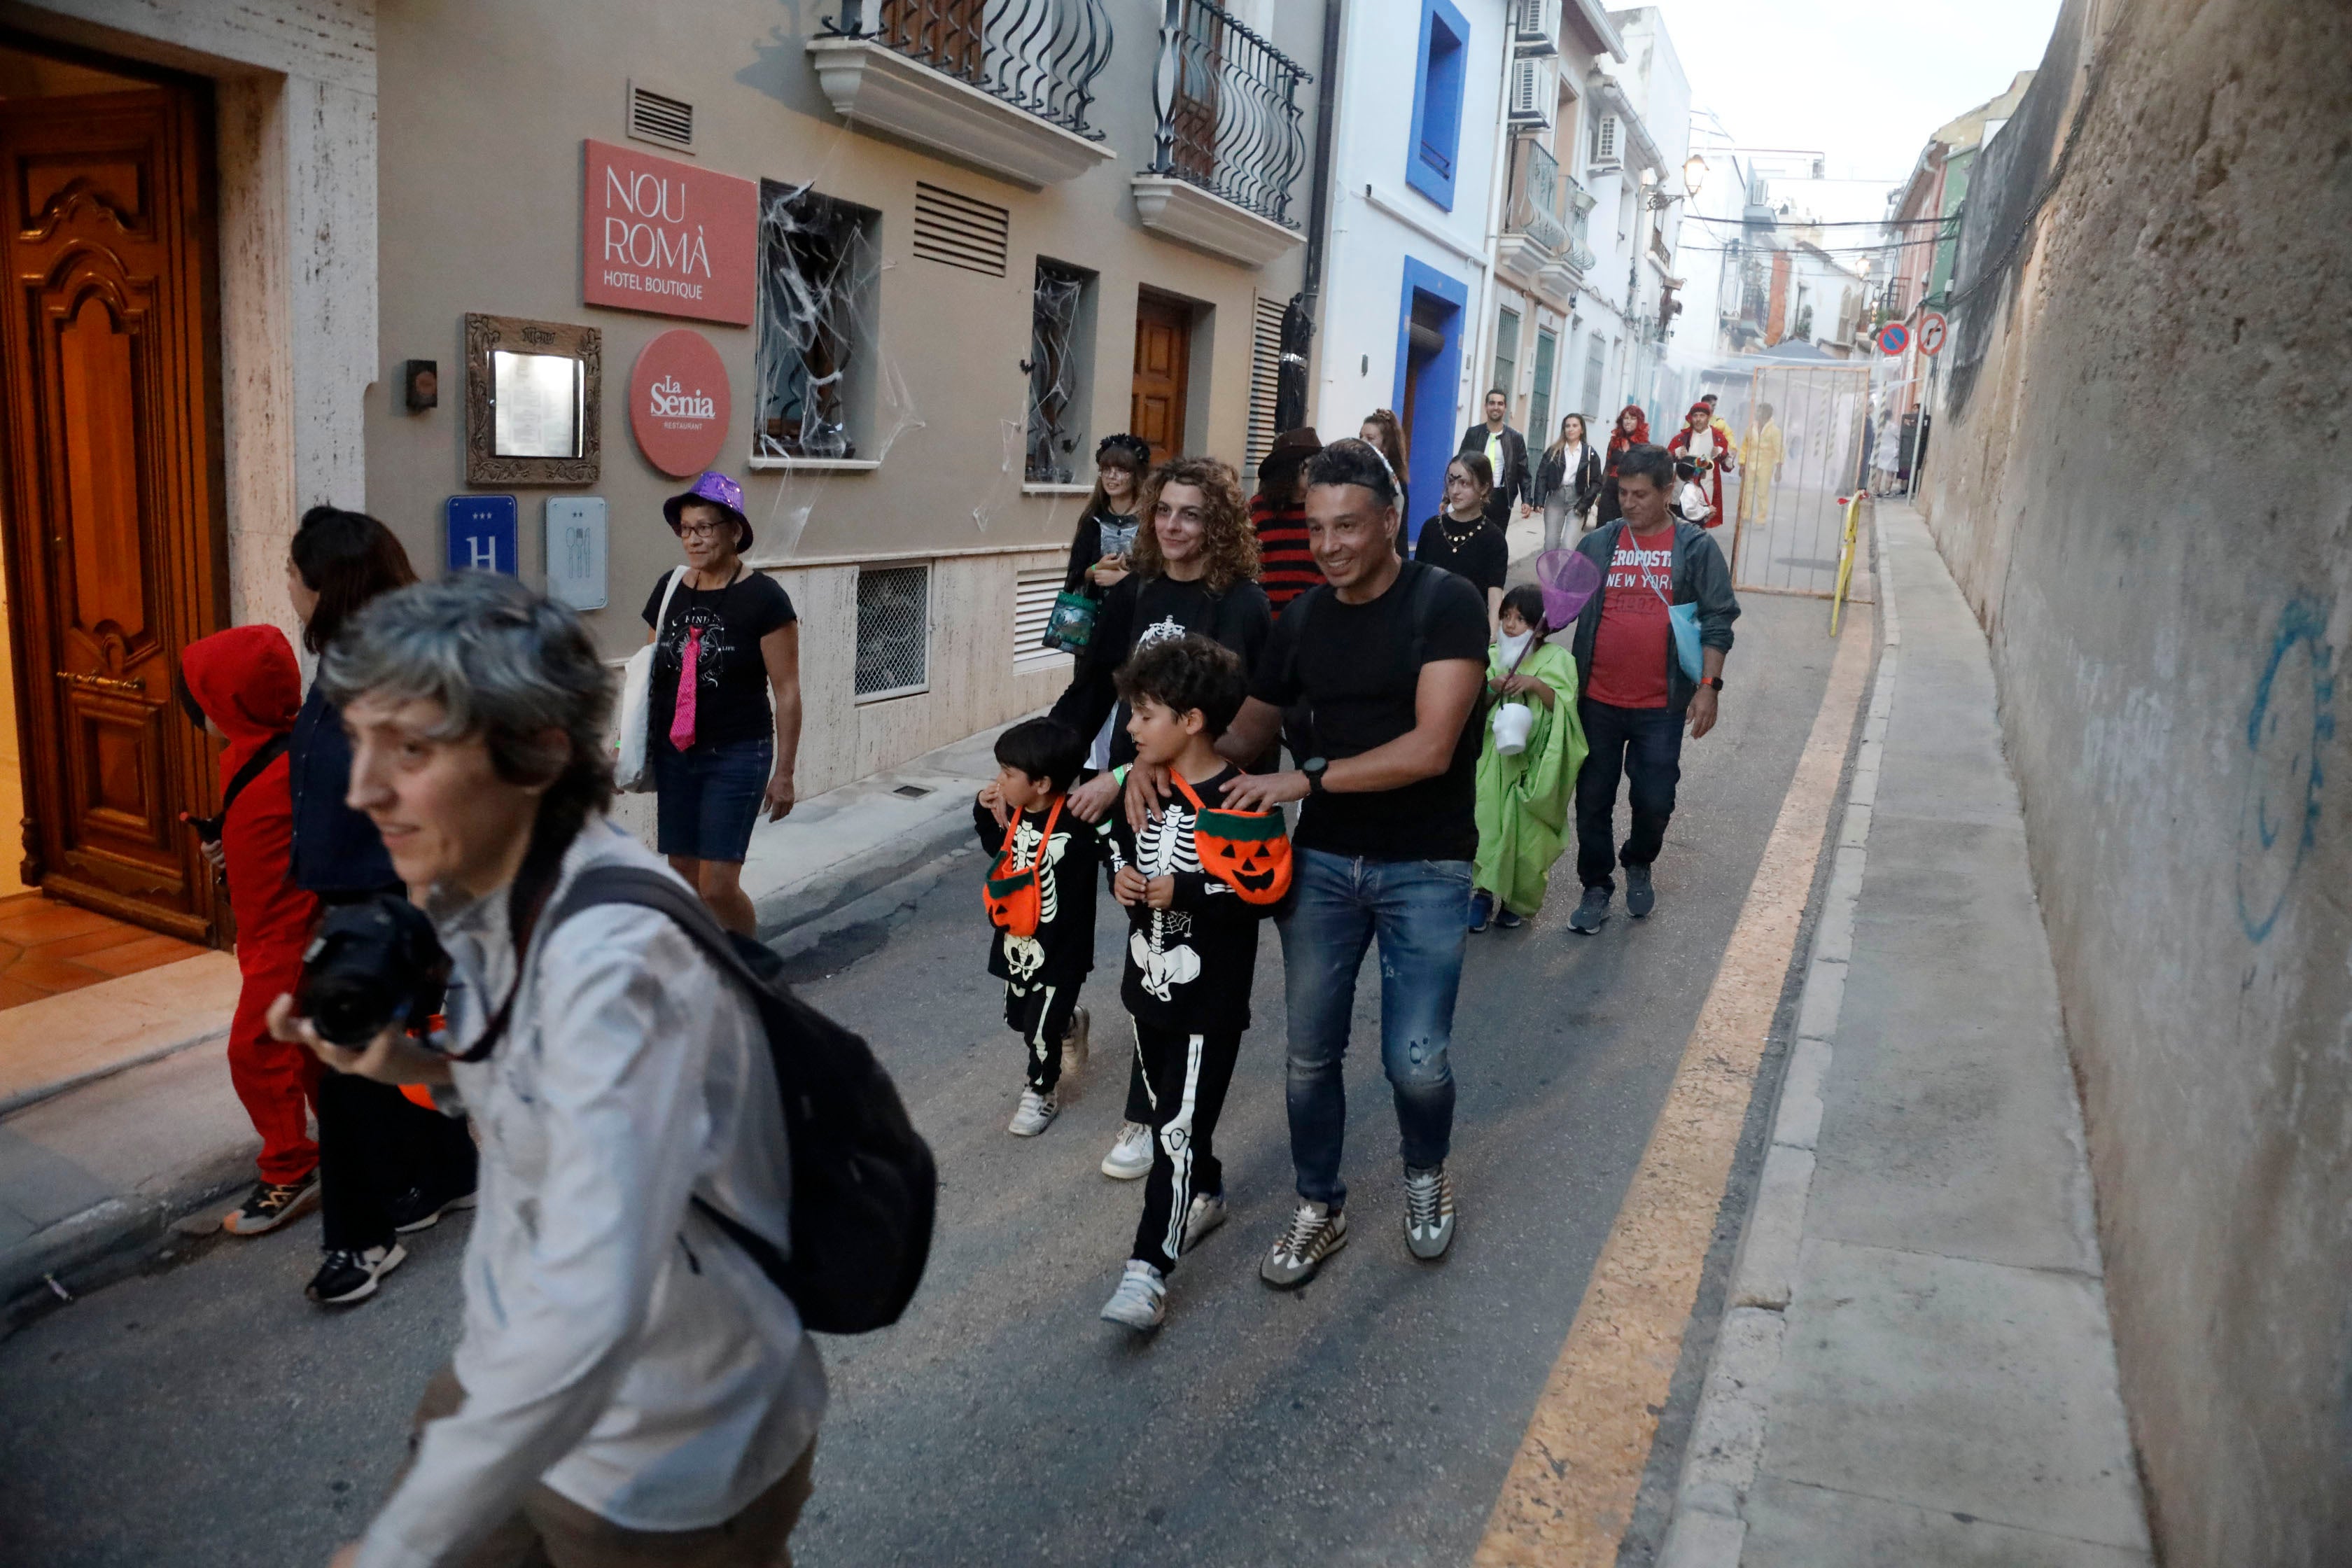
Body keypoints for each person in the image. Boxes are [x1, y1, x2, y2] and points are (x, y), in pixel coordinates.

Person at [276, 573, 825, 1568]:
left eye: (409, 748)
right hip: (516, 1371)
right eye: (360, 741)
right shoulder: (503, 893)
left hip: (659, 1450)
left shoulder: (610, 966)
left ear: (537, 756)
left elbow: (594, 1300)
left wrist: (402, 1545)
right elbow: (538, 1097)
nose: (361, 788)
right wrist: (405, 1061)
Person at [1126, 438, 1487, 1286]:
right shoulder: (1301, 619)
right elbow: (1247, 730)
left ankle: (1424, 1173)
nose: (1329, 545)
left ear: (1391, 520)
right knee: (1307, 1055)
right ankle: (1319, 1202)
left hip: (1426, 862)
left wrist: (1306, 775)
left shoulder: (1448, 603)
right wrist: (1153, 758)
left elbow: (1432, 748)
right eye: (1317, 526)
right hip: (1321, 863)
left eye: (1348, 526)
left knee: (1417, 1059)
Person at [1049, 456, 1273, 1182]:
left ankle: (1171, 1121)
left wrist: (1153, 766)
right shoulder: (1135, 592)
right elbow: (1090, 691)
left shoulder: (1241, 602)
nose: (1173, 525)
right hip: (1137, 797)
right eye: (1164, 510)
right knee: (1149, 955)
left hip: (1202, 806)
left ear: (1220, 524)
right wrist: (1042, 762)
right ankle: (1148, 1106)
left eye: (1191, 513)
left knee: (1194, 963)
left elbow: (1244, 721)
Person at [286, 505, 478, 1306]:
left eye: (295, 575)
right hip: (357, 890)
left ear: (327, 586)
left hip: (389, 896)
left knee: (347, 1068)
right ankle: (448, 1176)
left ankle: (361, 1241)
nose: (288, 589)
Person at [1096, 636, 1282, 1332]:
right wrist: (1123, 878)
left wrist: (1191, 890)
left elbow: (1262, 888)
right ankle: (1205, 1189)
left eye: (1144, 715)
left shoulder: (1243, 797)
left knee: (1172, 1127)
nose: (1132, 728)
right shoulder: (1145, 785)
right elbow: (1117, 844)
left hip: (1208, 998)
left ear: (1192, 720)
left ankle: (1148, 1270)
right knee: (1178, 1116)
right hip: (1145, 987)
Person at [1562, 444, 1740, 934]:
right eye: (1622, 493)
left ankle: (1639, 860)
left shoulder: (1696, 549)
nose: (1630, 503)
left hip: (1661, 704)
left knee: (1655, 798)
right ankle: (1596, 885)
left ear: (1668, 492)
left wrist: (1709, 687)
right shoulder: (1599, 544)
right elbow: (1557, 609)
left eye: (1641, 494)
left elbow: (1718, 618)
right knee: (1592, 799)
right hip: (1595, 700)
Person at [179, 625, 321, 1237]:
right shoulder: (249, 756)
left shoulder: (291, 768)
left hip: (287, 941)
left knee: (257, 1050)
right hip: (266, 931)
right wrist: (225, 851)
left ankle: (290, 1170)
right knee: (310, 1052)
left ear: (229, 705)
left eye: (202, 701)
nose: (197, 713)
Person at [642, 470, 803, 937]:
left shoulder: (765, 599)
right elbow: (649, 678)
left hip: (737, 752)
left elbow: (787, 689)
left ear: (734, 530)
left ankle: (750, 967)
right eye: (686, 529)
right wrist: (623, 743)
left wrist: (785, 773)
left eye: (705, 528)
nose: (693, 539)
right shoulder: (669, 589)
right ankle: (706, 961)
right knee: (683, 877)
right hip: (677, 754)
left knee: (716, 884)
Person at [973, 717, 1105, 1138]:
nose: (1000, 781)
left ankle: (1040, 1090)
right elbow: (998, 852)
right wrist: (985, 810)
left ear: (1043, 783)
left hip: (1062, 947)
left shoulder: (1078, 821)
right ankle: (1069, 1022)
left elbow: (1114, 846)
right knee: (1018, 1019)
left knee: (1039, 1029)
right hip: (1018, 941)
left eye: (1009, 774)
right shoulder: (1015, 816)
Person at [1469, 584, 1586, 932]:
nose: (1510, 625)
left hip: (1535, 763)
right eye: (1506, 616)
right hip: (1495, 758)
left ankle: (1517, 901)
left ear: (1541, 626)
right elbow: (1478, 705)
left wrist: (1535, 685)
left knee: (1526, 834)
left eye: (1520, 619)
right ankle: (1483, 893)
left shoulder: (1560, 661)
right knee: (1487, 822)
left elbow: (1565, 709)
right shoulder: (1493, 656)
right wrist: (1493, 687)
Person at [1414, 452, 1509, 628]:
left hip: (1469, 627)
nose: (1455, 491)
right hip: (1427, 624)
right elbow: (1417, 581)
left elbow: (1495, 592)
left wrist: (1492, 634)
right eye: (1451, 482)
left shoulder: (1494, 539)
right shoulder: (1431, 528)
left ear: (1484, 488)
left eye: (1464, 483)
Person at [1059, 433, 1152, 596]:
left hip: (1135, 615)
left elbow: (1159, 577)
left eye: (1121, 470)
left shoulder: (1150, 522)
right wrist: (1097, 568)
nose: (1112, 476)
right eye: (1106, 469)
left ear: (1136, 475)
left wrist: (1124, 579)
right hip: (1096, 616)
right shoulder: (1093, 520)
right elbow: (1075, 576)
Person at [1250, 427, 1324, 614]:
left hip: (1310, 614)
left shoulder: (1324, 510)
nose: (1317, 472)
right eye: (1311, 465)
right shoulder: (1257, 509)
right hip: (1264, 614)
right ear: (1292, 468)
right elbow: (1242, 560)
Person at [1457, 388, 1531, 533]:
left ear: (1505, 408)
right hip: (1475, 493)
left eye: (1500, 404)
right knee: (1471, 535)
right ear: (1486, 407)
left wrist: (1527, 500)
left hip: (1501, 498)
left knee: (1496, 539)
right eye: (1492, 403)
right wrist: (1448, 497)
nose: (1496, 407)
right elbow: (1460, 466)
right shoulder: (1473, 434)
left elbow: (1523, 471)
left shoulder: (1515, 438)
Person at [1535, 412, 1602, 551]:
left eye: (1575, 426)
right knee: (1550, 544)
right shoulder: (1554, 451)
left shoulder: (1590, 453)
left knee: (1568, 546)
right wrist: (1539, 501)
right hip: (1555, 499)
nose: (1570, 429)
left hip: (1577, 500)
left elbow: (1596, 483)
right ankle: (1552, 573)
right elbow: (1542, 475)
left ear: (1581, 429)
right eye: (1567, 426)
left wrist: (1583, 505)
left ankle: (1565, 573)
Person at [1666, 402, 1736, 529]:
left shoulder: (1718, 438)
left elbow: (1728, 467)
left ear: (1708, 417)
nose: (1698, 419)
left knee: (1698, 528)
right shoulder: (1682, 438)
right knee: (1676, 527)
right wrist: (1675, 454)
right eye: (1695, 416)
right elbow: (1665, 460)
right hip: (1681, 490)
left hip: (1704, 489)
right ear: (1691, 418)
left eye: (1702, 416)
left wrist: (1724, 454)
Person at [1596, 404, 1649, 525]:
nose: (1628, 422)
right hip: (1610, 491)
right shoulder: (1614, 441)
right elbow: (1607, 467)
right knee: (1603, 528)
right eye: (1626, 418)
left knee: (1624, 530)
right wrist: (1600, 493)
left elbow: (1646, 474)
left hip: (1630, 493)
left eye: (1632, 418)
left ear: (1639, 422)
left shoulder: (1644, 446)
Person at [1738, 401, 1785, 526]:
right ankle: (1746, 514)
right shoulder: (1751, 428)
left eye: (1760, 411)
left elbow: (1779, 450)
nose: (1757, 413)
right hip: (1750, 464)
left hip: (1766, 465)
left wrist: (1779, 469)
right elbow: (1745, 446)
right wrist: (1742, 463)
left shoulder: (1775, 431)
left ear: (1768, 414)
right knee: (1747, 490)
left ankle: (1761, 518)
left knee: (1762, 492)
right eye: (1757, 411)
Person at [1358, 410, 1410, 520]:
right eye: (1361, 437)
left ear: (1386, 446)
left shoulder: (1395, 482)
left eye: (1370, 438)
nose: (1362, 442)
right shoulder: (1354, 474)